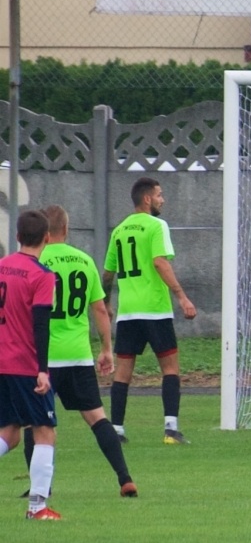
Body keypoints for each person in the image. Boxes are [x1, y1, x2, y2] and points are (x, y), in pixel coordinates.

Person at [36, 205, 136, 496]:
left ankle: (41, 487)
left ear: (43, 232)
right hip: (78, 355)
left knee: (36, 423)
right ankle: (124, 477)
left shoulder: (37, 261)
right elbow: (100, 309)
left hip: (43, 357)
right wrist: (106, 349)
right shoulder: (84, 260)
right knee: (97, 418)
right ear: (66, 230)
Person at [102, 176, 196, 445]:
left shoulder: (118, 231)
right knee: (170, 368)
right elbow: (160, 262)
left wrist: (107, 303)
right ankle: (170, 429)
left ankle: (117, 430)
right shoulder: (157, 225)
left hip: (129, 312)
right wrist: (181, 296)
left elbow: (108, 274)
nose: (162, 199)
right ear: (147, 199)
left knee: (123, 372)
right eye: (159, 195)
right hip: (155, 310)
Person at [0, 210, 63, 519]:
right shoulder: (42, 275)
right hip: (24, 365)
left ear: (17, 237)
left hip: (1, 362)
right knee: (45, 430)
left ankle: (38, 506)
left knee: (9, 434)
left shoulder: (1, 267)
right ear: (47, 238)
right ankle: (37, 507)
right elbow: (40, 324)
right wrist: (43, 369)